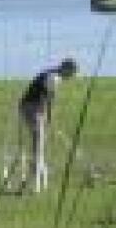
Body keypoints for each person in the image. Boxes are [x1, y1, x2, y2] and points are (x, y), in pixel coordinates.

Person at [15, 57, 79, 193]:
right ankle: (35, 183)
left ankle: (39, 179)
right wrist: (47, 117)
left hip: (31, 108)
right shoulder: (54, 78)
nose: (71, 77)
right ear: (66, 69)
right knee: (38, 143)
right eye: (72, 73)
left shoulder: (52, 75)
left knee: (39, 143)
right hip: (31, 108)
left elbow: (47, 99)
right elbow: (49, 100)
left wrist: (46, 118)